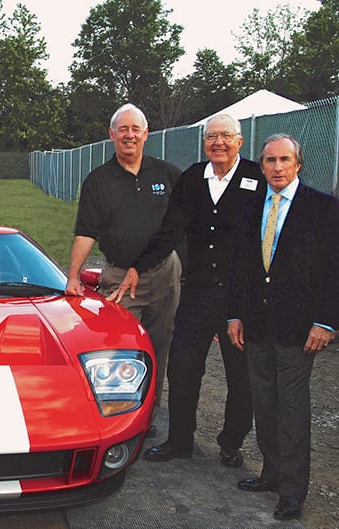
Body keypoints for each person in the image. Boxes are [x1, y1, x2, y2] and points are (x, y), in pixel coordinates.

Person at [108, 114, 263, 466]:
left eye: (226, 136)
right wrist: (138, 267)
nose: (218, 143)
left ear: (240, 141)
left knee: (240, 373)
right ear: (204, 142)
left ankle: (231, 441)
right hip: (198, 292)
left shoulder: (257, 177)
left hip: (240, 297)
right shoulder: (193, 177)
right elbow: (170, 230)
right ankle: (180, 440)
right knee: (183, 365)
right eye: (211, 137)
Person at [227, 133, 339, 521]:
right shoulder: (249, 207)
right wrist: (235, 315)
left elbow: (333, 272)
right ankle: (271, 474)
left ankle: (293, 492)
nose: (276, 167)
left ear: (298, 164)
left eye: (284, 160)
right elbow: (241, 269)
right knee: (265, 404)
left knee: (292, 411)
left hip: (299, 330)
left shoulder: (323, 209)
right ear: (262, 166)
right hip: (256, 326)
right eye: (270, 161)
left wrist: (326, 322)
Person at [65, 103, 181, 436]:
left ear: (146, 134)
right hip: (118, 276)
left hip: (164, 271)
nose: (129, 135)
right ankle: (118, 418)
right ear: (111, 135)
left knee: (160, 345)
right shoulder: (98, 181)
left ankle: (148, 418)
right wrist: (73, 276)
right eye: (123, 130)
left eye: (135, 129)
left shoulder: (168, 174)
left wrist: (182, 264)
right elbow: (86, 231)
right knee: (118, 347)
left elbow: (184, 223)